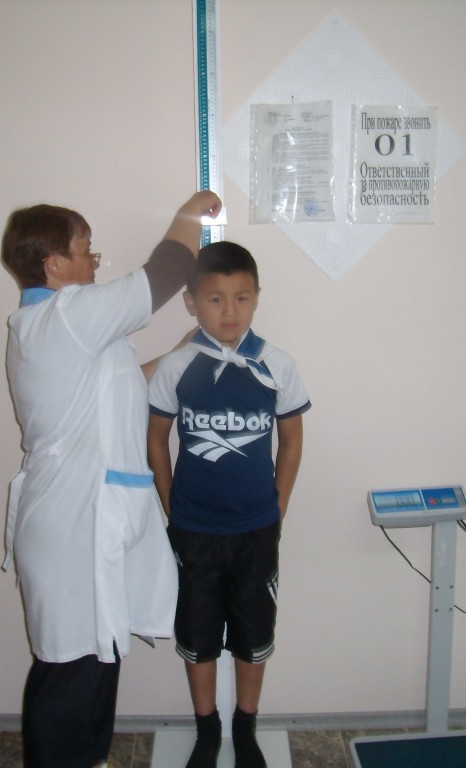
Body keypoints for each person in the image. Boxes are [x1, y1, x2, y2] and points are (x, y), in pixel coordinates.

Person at [0, 190, 223, 768]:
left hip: (91, 520)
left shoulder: (65, 329)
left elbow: (124, 386)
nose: (95, 262)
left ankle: (90, 760)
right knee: (69, 671)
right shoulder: (65, 316)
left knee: (99, 657)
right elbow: (168, 270)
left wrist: (184, 351)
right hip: (71, 521)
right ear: (54, 264)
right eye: (86, 250)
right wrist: (193, 210)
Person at [146, 241, 310, 768]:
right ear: (192, 302)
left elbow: (291, 442)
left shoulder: (277, 365)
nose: (230, 311)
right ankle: (207, 730)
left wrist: (277, 508)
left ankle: (245, 726)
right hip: (194, 530)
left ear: (257, 298)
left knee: (252, 634)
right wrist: (173, 508)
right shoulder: (176, 366)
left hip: (256, 530)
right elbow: (156, 442)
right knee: (198, 636)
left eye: (242, 298)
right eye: (215, 299)